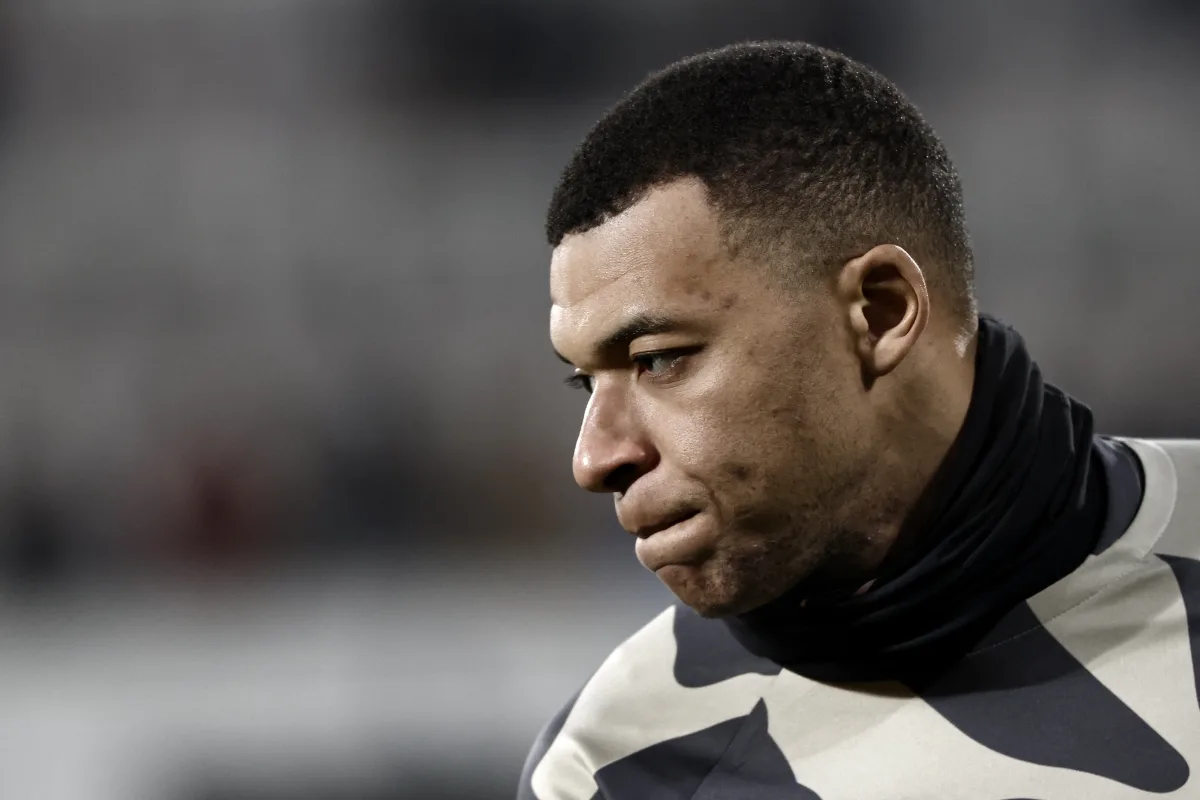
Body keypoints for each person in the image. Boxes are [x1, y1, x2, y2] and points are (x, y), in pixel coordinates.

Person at [519, 41, 1200, 799]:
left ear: (881, 311)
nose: (593, 459)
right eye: (586, 382)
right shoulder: (619, 768)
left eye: (658, 359)